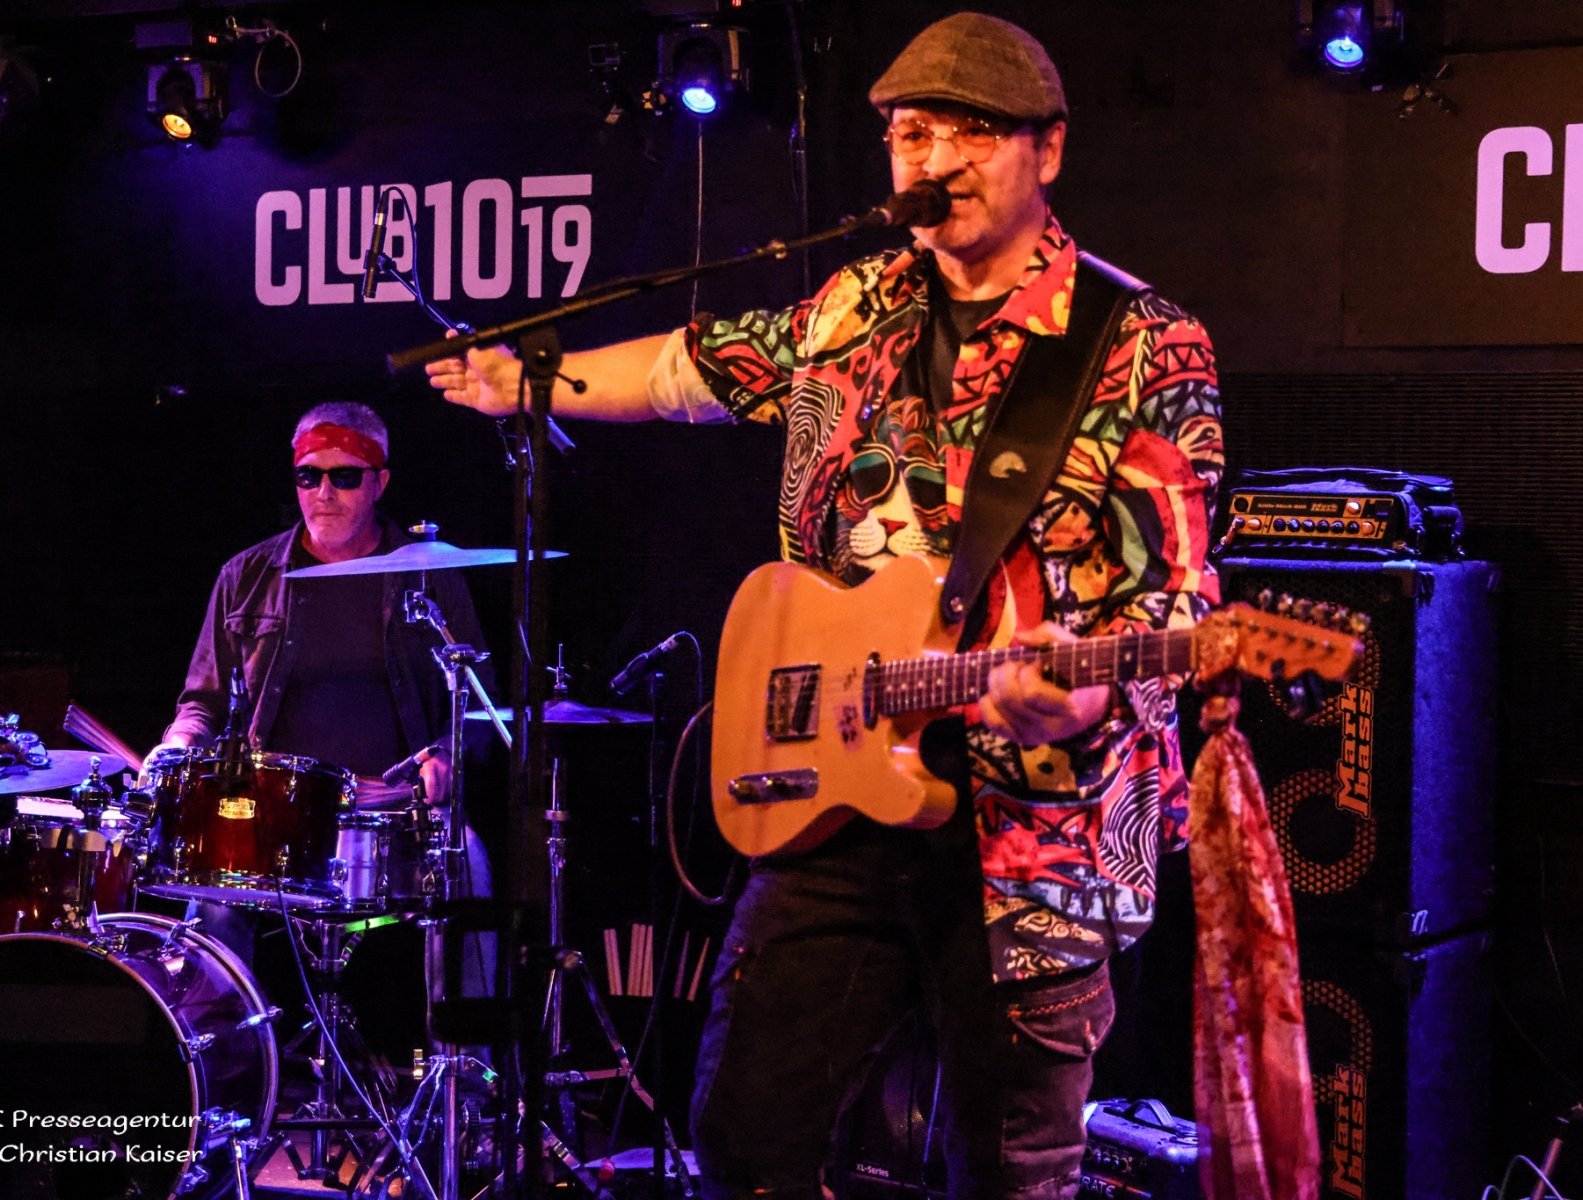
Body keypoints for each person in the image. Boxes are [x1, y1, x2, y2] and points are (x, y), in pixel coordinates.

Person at [430, 13, 1223, 1200]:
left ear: (1048, 149)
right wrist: (533, 382)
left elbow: (1175, 601)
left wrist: (1070, 700)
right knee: (743, 1143)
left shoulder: (1140, 343)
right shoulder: (858, 300)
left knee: (1007, 1174)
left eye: (973, 132)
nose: (936, 159)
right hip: (830, 800)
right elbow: (697, 369)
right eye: (912, 134)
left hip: (1035, 838)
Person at [149, 402, 494, 956]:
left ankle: (466, 1021)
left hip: (393, 813)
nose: (324, 493)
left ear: (380, 482)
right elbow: (202, 701)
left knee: (467, 863)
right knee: (210, 901)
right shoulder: (245, 575)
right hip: (272, 813)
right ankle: (228, 1017)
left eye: (345, 477)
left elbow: (478, 704)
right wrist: (179, 742)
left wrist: (448, 755)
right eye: (309, 477)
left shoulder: (430, 576)